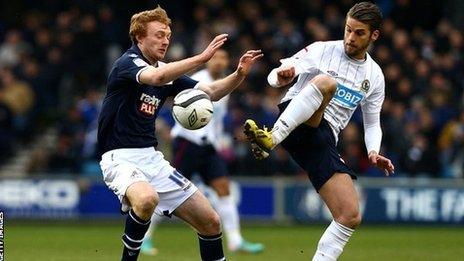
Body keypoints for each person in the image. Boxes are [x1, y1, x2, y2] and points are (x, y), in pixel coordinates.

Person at [97, 6, 262, 261]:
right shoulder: (127, 63)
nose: (165, 40)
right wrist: (201, 58)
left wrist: (239, 74)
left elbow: (212, 92)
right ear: (140, 37)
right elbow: (157, 76)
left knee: (210, 221)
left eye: (168, 35)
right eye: (159, 35)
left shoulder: (166, 73)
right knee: (146, 199)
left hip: (152, 159)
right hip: (119, 157)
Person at [243, 2, 394, 260]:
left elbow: (371, 122)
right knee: (326, 83)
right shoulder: (322, 50)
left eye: (359, 33)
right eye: (348, 30)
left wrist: (372, 152)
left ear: (374, 35)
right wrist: (282, 76)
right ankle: (272, 137)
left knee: (349, 214)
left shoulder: (375, 76)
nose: (350, 38)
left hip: (321, 139)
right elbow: (273, 75)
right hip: (295, 117)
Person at [140, 49, 264, 255]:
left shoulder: (225, 85)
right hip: (188, 143)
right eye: (215, 58)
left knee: (224, 188)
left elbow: (215, 120)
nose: (219, 62)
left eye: (223, 58)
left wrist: (219, 140)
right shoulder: (198, 81)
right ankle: (145, 238)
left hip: (209, 147)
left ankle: (235, 240)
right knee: (165, 191)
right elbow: (179, 108)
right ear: (208, 61)